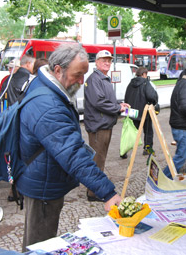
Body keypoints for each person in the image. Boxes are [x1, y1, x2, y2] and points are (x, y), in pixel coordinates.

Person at [16, 44, 121, 251]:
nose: (82, 81)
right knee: (40, 246)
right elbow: (71, 153)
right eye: (78, 74)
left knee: (41, 241)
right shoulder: (48, 104)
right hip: (42, 186)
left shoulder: (48, 88)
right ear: (57, 70)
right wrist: (108, 192)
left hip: (45, 177)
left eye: (84, 74)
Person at [84, 50, 129, 201]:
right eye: (103, 60)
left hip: (105, 125)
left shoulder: (104, 79)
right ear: (96, 62)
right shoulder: (94, 79)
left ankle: (95, 189)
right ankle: (93, 192)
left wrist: (118, 104)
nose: (107, 63)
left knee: (100, 159)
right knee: (97, 160)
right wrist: (117, 108)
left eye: (109, 60)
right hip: (98, 126)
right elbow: (98, 102)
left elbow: (106, 100)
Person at [124, 67, 158, 156]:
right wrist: (154, 102)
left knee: (130, 132)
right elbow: (151, 96)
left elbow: (126, 98)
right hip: (144, 111)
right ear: (144, 74)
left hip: (131, 112)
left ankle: (124, 150)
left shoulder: (130, 83)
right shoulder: (146, 83)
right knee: (148, 131)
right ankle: (147, 149)